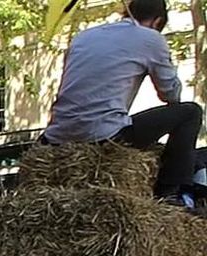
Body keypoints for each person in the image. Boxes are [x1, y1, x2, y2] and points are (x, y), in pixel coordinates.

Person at [43, 0, 202, 207]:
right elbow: (171, 96)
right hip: (103, 135)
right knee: (191, 112)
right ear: (157, 22)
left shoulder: (83, 37)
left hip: (56, 137)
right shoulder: (151, 38)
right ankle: (171, 195)